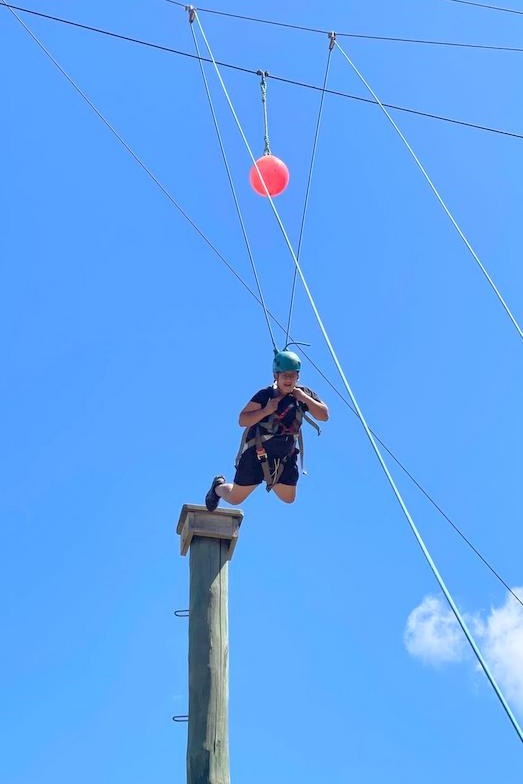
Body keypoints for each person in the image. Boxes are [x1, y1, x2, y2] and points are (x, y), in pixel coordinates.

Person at [205, 350, 329, 510]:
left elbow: (324, 415)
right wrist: (266, 410)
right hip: (257, 454)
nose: (289, 379)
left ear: (298, 376)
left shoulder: (303, 394)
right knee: (236, 498)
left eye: (292, 375)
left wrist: (304, 398)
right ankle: (217, 488)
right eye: (284, 375)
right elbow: (243, 420)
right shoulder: (266, 395)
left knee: (289, 498)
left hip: (283, 457)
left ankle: (269, 477)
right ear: (276, 376)